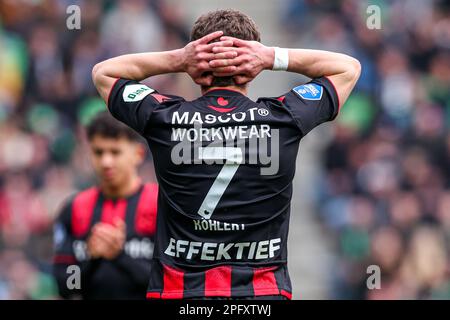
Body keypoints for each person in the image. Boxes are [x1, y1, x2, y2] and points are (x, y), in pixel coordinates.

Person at [92, 9, 360, 299]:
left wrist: (179, 60)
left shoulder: (165, 118)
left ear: (198, 66)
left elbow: (103, 73)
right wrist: (271, 57)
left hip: (181, 295)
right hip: (261, 297)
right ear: (251, 64)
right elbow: (347, 68)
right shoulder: (283, 118)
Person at [52, 112, 158, 299]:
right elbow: (66, 287)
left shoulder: (161, 206)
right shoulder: (74, 209)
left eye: (115, 152)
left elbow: (172, 283)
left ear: (138, 154)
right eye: (98, 152)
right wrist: (92, 258)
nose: (106, 162)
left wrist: (119, 254)